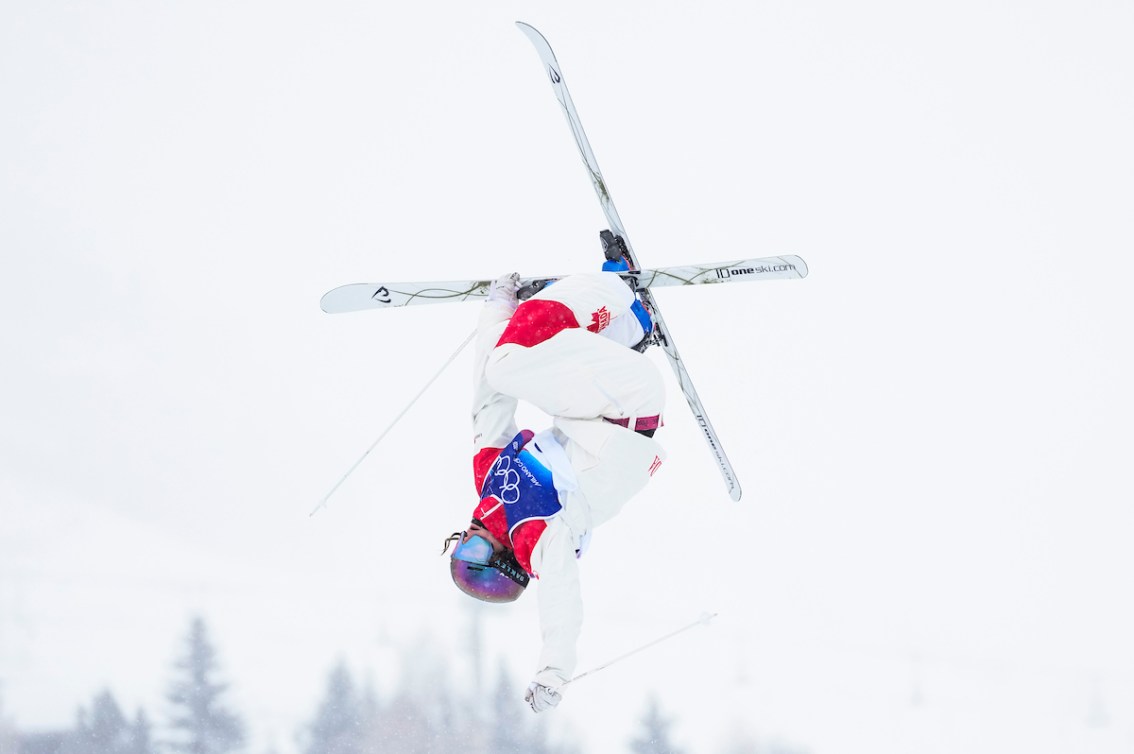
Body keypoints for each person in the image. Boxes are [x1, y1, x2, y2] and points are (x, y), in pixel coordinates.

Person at [441, 253, 666, 714]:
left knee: (509, 362)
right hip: (628, 410)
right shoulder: (538, 534)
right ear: (504, 560)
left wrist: (497, 309)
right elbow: (561, 600)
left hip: (600, 402)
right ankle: (617, 289)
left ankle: (633, 323)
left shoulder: (488, 483)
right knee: (513, 359)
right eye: (477, 553)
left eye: (461, 546)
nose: (470, 539)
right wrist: (553, 674)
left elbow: (489, 403)